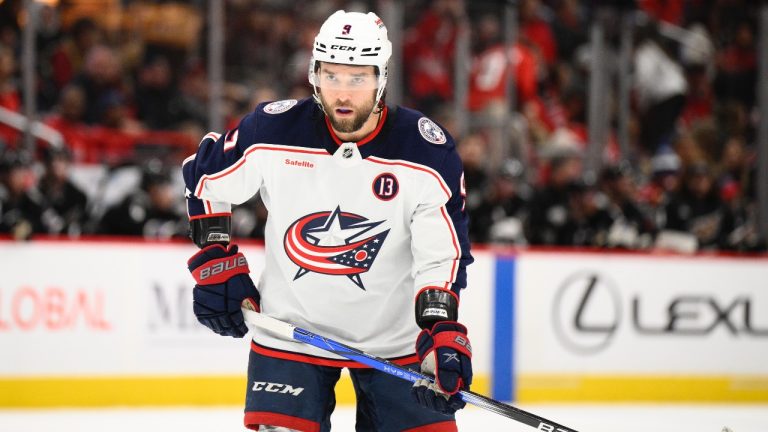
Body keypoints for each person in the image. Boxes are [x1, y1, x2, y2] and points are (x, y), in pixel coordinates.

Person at [182, 10, 474, 432]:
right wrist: (216, 261)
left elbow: (441, 256)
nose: (342, 93)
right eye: (331, 76)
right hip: (290, 333)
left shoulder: (426, 151)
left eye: (358, 79)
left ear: (381, 78)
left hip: (395, 345)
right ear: (314, 74)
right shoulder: (274, 130)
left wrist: (441, 327)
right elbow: (204, 177)